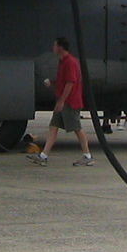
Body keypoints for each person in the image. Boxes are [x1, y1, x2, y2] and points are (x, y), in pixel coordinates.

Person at [29, 36, 93, 167]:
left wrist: (61, 101)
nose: (53, 48)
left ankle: (87, 156)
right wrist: (52, 83)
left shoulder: (70, 62)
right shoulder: (63, 62)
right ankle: (44, 156)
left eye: (55, 45)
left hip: (70, 102)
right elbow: (64, 81)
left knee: (77, 128)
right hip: (63, 101)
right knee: (53, 127)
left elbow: (70, 83)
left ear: (60, 47)